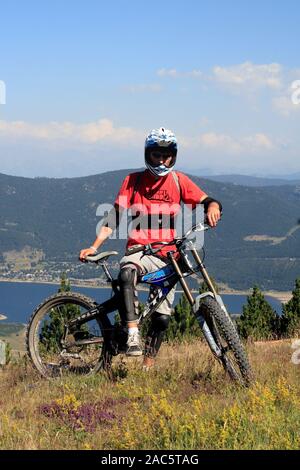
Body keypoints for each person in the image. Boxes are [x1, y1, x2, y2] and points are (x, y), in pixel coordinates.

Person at [79, 127, 222, 369]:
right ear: (148, 155)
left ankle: (147, 367)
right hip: (138, 252)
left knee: (162, 319)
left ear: (173, 156)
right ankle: (133, 333)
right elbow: (114, 217)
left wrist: (212, 207)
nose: (162, 160)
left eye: (167, 155)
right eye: (157, 154)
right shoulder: (132, 181)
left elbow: (206, 199)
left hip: (169, 257)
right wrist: (94, 246)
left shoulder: (179, 181)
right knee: (127, 273)